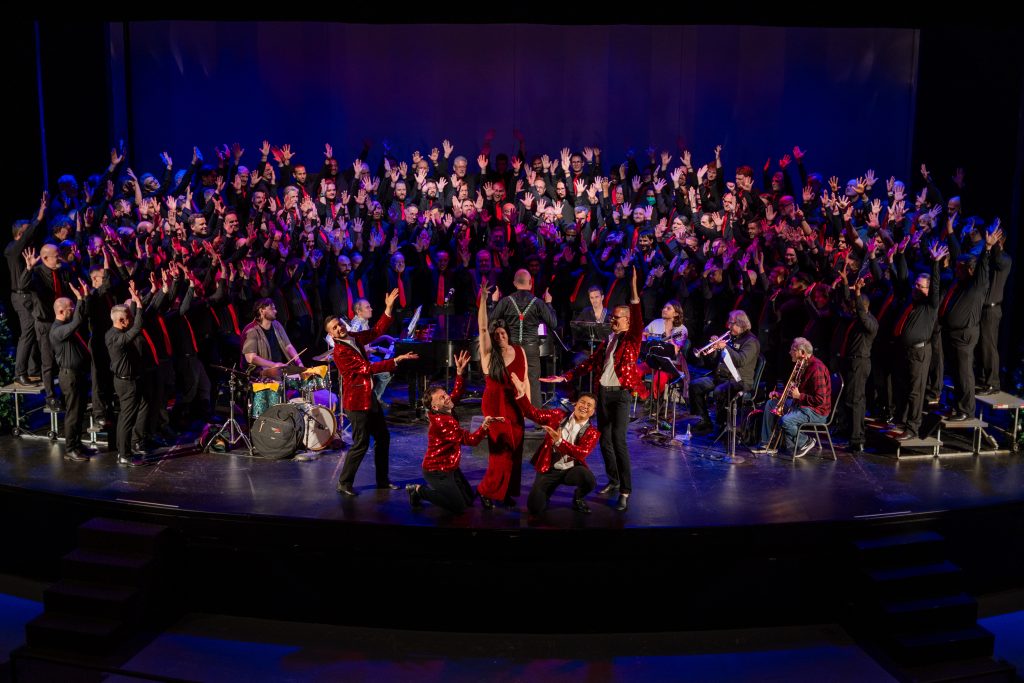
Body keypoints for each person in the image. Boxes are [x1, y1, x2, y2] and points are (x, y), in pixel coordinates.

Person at [542, 268, 646, 512]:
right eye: (613, 317)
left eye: (618, 317)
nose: (613, 320)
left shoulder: (633, 338)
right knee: (605, 441)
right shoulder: (609, 339)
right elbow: (589, 363)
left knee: (618, 441)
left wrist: (633, 288)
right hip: (603, 394)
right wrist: (565, 376)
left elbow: (638, 315)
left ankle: (625, 491)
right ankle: (613, 480)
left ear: (628, 322)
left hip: (620, 395)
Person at [327, 287, 418, 496]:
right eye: (334, 328)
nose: (339, 328)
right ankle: (344, 482)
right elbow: (367, 369)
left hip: (369, 397)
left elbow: (376, 331)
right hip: (356, 402)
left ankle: (382, 481)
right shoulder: (340, 352)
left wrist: (387, 309)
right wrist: (395, 360)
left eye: (339, 324)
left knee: (383, 437)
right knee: (361, 443)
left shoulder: (352, 336)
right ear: (331, 334)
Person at [407, 351, 503, 513]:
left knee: (468, 501)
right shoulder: (442, 423)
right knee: (458, 507)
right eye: (442, 398)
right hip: (437, 471)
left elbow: (456, 394)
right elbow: (471, 440)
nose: (447, 398)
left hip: (451, 467)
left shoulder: (444, 408)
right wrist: (485, 426)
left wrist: (459, 373)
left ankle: (438, 491)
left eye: (445, 394)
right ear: (435, 407)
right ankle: (418, 491)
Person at [510, 372, 600, 516]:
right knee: (535, 508)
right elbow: (534, 414)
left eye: (589, 405)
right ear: (575, 404)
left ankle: (578, 498)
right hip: (549, 469)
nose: (584, 406)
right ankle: (548, 491)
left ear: (593, 412)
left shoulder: (592, 432)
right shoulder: (557, 415)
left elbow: (581, 453)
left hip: (570, 470)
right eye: (582, 402)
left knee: (589, 480)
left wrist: (559, 442)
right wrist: (522, 395)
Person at [476, 283, 528, 509]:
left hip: (515, 406)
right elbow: (482, 328)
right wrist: (484, 301)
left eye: (503, 333)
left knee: (515, 452)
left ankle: (505, 492)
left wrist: (529, 408)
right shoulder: (489, 354)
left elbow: (525, 381)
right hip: (495, 406)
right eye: (496, 335)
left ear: (508, 333)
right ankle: (487, 491)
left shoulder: (520, 350)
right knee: (501, 454)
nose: (500, 337)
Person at [489, 268, 558, 407]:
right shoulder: (538, 302)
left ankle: (509, 412)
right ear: (530, 283)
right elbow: (554, 324)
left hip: (512, 348)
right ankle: (535, 415)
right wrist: (549, 303)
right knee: (533, 381)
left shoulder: (506, 301)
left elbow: (491, 321)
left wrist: (494, 302)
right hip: (531, 349)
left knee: (510, 380)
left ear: (515, 283)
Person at [755, 337, 831, 457]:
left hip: (816, 412)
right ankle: (766, 443)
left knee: (785, 421)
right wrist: (781, 395)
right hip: (802, 405)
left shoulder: (816, 368)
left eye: (793, 350)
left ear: (802, 352)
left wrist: (799, 396)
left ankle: (805, 441)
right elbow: (796, 393)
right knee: (771, 404)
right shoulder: (802, 365)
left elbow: (820, 400)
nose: (790, 352)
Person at [689, 310, 760, 436]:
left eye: (731, 323)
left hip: (739, 381)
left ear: (741, 324)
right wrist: (714, 349)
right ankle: (704, 421)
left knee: (719, 391)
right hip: (721, 377)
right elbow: (715, 361)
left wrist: (725, 347)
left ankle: (722, 425)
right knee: (695, 385)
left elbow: (740, 361)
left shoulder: (751, 341)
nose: (728, 326)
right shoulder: (732, 338)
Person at [49, 282, 97, 461]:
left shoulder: (66, 326)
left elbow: (80, 317)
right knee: (73, 413)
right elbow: (77, 321)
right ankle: (70, 449)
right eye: (71, 308)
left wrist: (83, 299)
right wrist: (78, 298)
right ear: (61, 311)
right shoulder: (57, 331)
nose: (73, 310)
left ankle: (76, 444)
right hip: (70, 376)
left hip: (78, 374)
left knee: (80, 411)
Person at [105, 281, 150, 467]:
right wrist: (138, 305)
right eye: (128, 317)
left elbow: (133, 324)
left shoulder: (114, 332)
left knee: (126, 417)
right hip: (126, 383)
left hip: (127, 381)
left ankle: (123, 451)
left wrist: (133, 299)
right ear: (120, 321)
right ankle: (124, 454)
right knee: (126, 419)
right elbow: (137, 327)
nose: (130, 319)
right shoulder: (116, 337)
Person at [241, 298, 304, 375]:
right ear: (261, 311)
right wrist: (274, 365)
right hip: (260, 374)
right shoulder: (251, 330)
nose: (275, 311)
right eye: (272, 309)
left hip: (278, 371)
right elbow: (251, 358)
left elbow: (288, 346)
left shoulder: (277, 325)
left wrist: (299, 363)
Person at [642, 299, 689, 398]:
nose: (664, 310)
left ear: (676, 314)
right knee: (635, 371)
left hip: (671, 365)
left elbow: (675, 351)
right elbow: (643, 336)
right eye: (664, 307)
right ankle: (646, 396)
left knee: (659, 379)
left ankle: (655, 402)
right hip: (653, 361)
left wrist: (668, 332)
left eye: (668, 308)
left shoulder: (682, 329)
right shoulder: (656, 322)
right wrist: (645, 336)